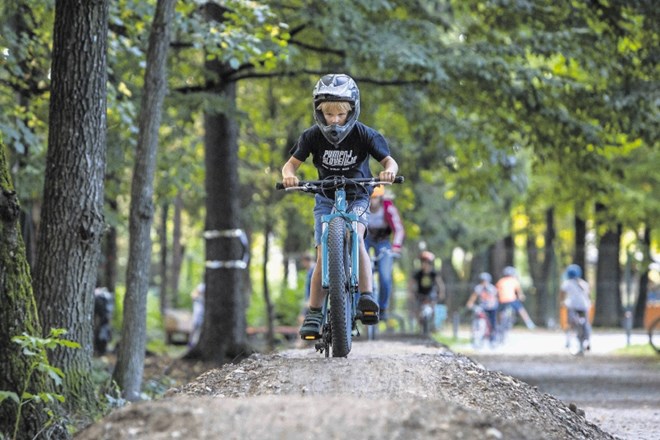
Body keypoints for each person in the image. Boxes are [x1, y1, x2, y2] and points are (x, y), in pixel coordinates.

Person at [281, 73, 399, 339]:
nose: (334, 120)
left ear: (352, 111)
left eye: (340, 114)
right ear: (319, 112)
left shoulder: (364, 134)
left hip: (357, 195)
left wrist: (389, 172)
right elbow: (291, 164)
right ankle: (313, 311)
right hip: (325, 197)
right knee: (323, 252)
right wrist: (288, 175)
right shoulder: (311, 136)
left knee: (356, 236)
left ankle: (366, 297)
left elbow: (389, 162)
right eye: (329, 113)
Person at [365, 185, 404, 320]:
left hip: (383, 242)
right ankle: (358, 305)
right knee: (359, 271)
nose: (372, 201)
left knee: (385, 275)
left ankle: (383, 307)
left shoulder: (388, 208)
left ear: (381, 198)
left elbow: (399, 229)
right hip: (366, 239)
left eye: (375, 198)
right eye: (371, 198)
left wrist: (396, 246)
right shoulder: (361, 207)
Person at [409, 251, 446, 332]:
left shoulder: (433, 273)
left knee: (433, 309)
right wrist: (410, 293)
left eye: (426, 262)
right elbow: (411, 283)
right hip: (420, 295)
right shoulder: (418, 274)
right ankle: (420, 326)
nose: (424, 264)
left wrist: (441, 293)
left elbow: (440, 284)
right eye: (422, 262)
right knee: (418, 311)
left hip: (431, 296)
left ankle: (434, 325)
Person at [559, 264, 591, 350]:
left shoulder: (567, 283)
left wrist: (562, 302)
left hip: (572, 306)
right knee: (586, 323)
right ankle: (587, 341)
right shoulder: (583, 283)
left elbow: (562, 295)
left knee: (570, 323)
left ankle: (568, 341)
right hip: (584, 306)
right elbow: (588, 295)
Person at [466, 272, 499, 344]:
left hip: (491, 306)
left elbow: (493, 298)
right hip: (482, 306)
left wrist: (491, 303)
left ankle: (493, 337)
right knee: (477, 316)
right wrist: (470, 303)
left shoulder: (491, 288)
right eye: (482, 281)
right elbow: (473, 297)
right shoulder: (479, 288)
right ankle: (477, 333)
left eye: (485, 281)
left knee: (492, 321)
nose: (484, 282)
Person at [189, 282, 205, 347]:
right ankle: (190, 343)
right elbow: (193, 295)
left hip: (203, 313)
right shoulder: (201, 286)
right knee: (194, 327)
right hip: (198, 312)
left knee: (200, 329)